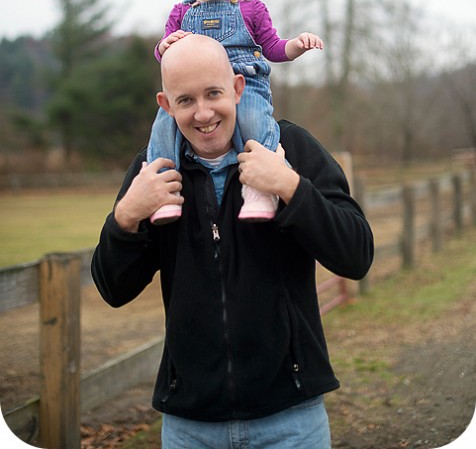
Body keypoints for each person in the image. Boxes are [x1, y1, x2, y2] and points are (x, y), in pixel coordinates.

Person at [91, 34, 374, 449]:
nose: (203, 113)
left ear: (238, 88)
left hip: (291, 420)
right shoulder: (154, 169)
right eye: (185, 100)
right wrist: (126, 216)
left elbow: (357, 255)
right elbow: (113, 289)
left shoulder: (289, 148)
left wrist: (290, 187)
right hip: (190, 427)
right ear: (166, 105)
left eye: (214, 93)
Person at [147, 0, 324, 225]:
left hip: (246, 78)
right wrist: (165, 46)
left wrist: (296, 45)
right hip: (195, 88)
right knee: (163, 129)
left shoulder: (251, 9)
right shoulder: (180, 13)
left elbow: (272, 47)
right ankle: (162, 192)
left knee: (254, 122)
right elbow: (164, 55)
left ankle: (259, 187)